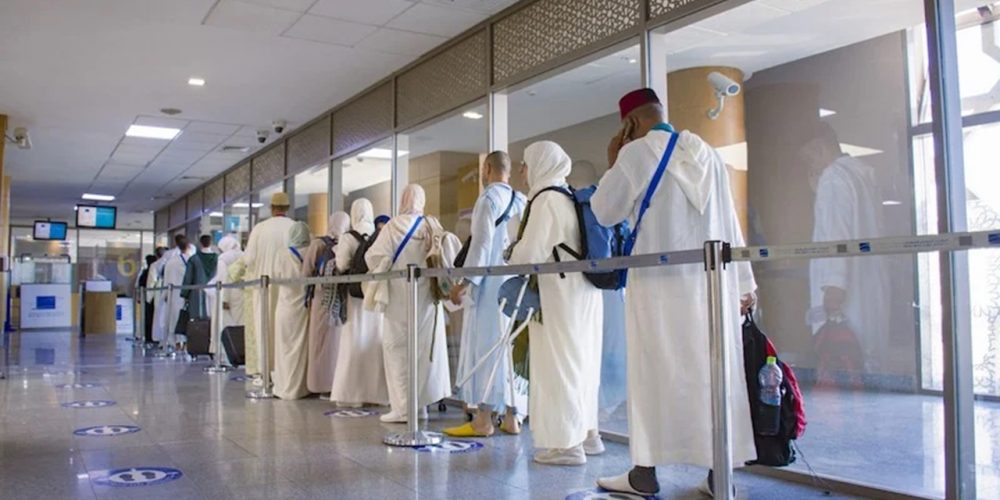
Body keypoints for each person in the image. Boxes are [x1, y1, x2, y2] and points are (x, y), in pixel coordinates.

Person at [592, 88, 757, 497]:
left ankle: (644, 473)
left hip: (658, 290)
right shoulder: (707, 153)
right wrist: (744, 282)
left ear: (630, 123)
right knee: (711, 375)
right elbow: (729, 219)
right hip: (710, 286)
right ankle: (719, 476)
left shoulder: (635, 154)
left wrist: (613, 161)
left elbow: (604, 211)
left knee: (652, 375)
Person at [507, 141, 604, 466]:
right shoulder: (566, 195)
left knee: (559, 365)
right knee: (581, 363)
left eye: (525, 164)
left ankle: (567, 446)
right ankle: (588, 435)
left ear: (540, 164)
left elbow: (530, 253)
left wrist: (511, 247)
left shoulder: (547, 199)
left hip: (560, 296)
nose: (522, 171)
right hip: (582, 292)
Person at [443, 151, 526, 437]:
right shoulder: (522, 200)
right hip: (516, 286)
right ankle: (513, 417)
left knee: (486, 347)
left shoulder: (488, 199)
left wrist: (465, 281)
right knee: (510, 349)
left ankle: (483, 419)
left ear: (487, 168)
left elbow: (481, 243)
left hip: (490, 289)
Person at [803, 122, 889, 370]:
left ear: (819, 149)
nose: (810, 168)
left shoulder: (833, 178)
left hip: (845, 296)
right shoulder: (862, 174)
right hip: (870, 283)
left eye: (809, 159)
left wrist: (834, 286)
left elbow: (836, 234)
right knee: (870, 362)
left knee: (846, 365)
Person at [365, 184, 451, 423]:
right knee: (424, 351)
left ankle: (403, 408)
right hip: (428, 298)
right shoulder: (431, 225)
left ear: (403, 199)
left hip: (398, 297)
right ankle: (420, 406)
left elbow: (373, 257)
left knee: (397, 350)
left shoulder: (393, 226)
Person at [330, 199, 389, 407]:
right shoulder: (381, 234)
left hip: (355, 296)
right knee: (374, 340)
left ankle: (351, 395)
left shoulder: (348, 237)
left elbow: (341, 264)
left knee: (353, 340)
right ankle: (378, 394)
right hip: (375, 293)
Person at [242, 192, 296, 378]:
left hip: (263, 286)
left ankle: (265, 371)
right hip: (288, 286)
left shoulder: (260, 228)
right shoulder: (294, 227)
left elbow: (249, 259)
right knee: (286, 330)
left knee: (263, 327)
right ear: (288, 208)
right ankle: (284, 372)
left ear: (271, 208)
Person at [302, 212, 351, 394]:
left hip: (320, 298)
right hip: (340, 300)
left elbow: (306, 272)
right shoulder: (346, 244)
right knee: (335, 344)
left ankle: (317, 384)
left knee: (318, 342)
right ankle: (334, 385)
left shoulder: (318, 244)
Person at [272, 221, 312, 400]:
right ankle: (301, 387)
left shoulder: (282, 254)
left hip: (285, 306)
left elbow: (275, 276)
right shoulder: (311, 251)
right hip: (304, 307)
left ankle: (284, 385)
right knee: (302, 348)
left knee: (284, 348)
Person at [211, 235, 244, 360]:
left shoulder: (223, 258)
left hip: (228, 294)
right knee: (241, 323)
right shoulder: (243, 255)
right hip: (242, 294)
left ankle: (226, 353)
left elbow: (222, 279)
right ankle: (240, 351)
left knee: (226, 324)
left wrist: (224, 299)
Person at [163, 234, 196, 351]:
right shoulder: (193, 260)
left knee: (174, 317)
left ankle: (177, 343)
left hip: (174, 294)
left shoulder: (171, 261)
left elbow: (166, 279)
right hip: (189, 293)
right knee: (188, 317)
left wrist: (166, 294)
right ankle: (187, 342)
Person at [180, 234, 218, 321]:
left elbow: (188, 278)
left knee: (197, 320)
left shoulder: (194, 259)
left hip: (196, 294)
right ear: (211, 243)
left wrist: (184, 293)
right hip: (214, 293)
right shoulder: (218, 259)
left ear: (200, 243)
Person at [148, 246, 169, 347]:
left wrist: (149, 297)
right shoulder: (170, 262)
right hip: (170, 290)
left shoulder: (155, 265)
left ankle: (160, 339)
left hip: (159, 290)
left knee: (159, 315)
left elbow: (151, 281)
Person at [136, 254, 157, 345]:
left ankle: (148, 336)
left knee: (147, 317)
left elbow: (140, 284)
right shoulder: (153, 271)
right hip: (154, 298)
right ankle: (152, 336)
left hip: (147, 298)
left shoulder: (144, 273)